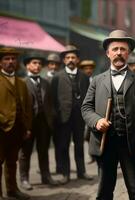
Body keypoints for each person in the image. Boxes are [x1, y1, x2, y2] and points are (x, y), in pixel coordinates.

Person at [81, 29, 135, 200]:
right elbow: (86, 108)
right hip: (105, 143)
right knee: (104, 191)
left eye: (123, 49)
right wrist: (97, 121)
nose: (119, 53)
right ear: (107, 53)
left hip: (131, 144)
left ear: (128, 52)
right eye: (115, 49)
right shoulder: (97, 81)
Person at [51, 45, 93, 184]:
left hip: (79, 117)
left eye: (73, 57)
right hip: (63, 118)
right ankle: (65, 174)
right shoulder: (57, 77)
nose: (70, 60)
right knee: (63, 145)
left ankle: (82, 172)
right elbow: (53, 99)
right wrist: (57, 116)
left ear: (78, 60)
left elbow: (88, 97)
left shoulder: (83, 77)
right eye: (68, 57)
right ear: (64, 60)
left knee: (79, 145)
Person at [19, 54, 59, 191]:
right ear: (27, 65)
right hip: (29, 124)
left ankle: (45, 176)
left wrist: (52, 118)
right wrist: (24, 126)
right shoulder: (22, 83)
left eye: (39, 64)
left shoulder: (45, 82)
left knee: (43, 150)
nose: (37, 66)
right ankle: (24, 178)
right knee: (25, 152)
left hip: (44, 123)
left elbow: (51, 103)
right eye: (34, 63)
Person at [0, 47, 32, 200]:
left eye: (13, 59)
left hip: (16, 130)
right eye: (6, 59)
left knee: (12, 161)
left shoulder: (21, 83)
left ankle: (12, 190)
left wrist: (26, 128)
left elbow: (26, 107)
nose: (10, 62)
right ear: (1, 63)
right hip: (1, 129)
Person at [79, 59, 96, 164]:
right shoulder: (79, 81)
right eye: (86, 69)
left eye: (90, 68)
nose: (88, 70)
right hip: (83, 111)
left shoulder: (96, 80)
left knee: (93, 133)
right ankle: (89, 155)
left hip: (95, 111)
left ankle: (94, 154)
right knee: (85, 135)